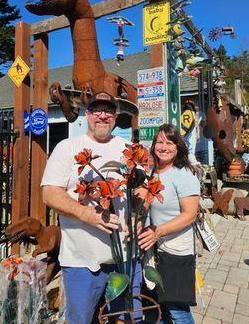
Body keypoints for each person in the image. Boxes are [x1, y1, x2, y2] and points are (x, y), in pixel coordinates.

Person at [41, 91, 142, 324]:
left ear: (115, 117)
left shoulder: (129, 148)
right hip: (82, 261)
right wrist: (87, 214)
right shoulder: (68, 148)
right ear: (87, 115)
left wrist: (139, 214)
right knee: (81, 320)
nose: (102, 116)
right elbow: (49, 193)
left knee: (128, 318)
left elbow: (142, 189)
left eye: (108, 111)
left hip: (126, 257)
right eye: (97, 110)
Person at [138, 123, 200, 324]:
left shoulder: (184, 174)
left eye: (170, 143)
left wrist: (159, 231)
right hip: (154, 250)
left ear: (178, 147)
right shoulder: (152, 173)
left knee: (177, 309)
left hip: (176, 252)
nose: (164, 147)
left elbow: (190, 214)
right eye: (160, 142)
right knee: (160, 307)